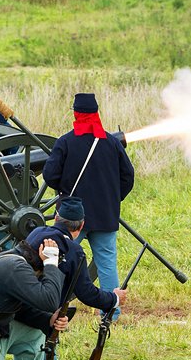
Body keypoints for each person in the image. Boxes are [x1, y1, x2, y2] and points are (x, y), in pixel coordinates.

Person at [13, 196, 127, 360]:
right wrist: (114, 299)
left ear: (56, 217)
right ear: (81, 226)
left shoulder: (35, 233)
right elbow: (87, 293)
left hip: (18, 304)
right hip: (45, 311)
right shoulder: (74, 251)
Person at [43, 93, 135, 320]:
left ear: (76, 114)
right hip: (105, 214)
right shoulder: (112, 143)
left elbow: (49, 175)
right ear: (96, 113)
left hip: (72, 215)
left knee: (60, 256)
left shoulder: (65, 142)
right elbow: (128, 176)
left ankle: (52, 306)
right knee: (106, 263)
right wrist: (112, 199)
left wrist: (65, 192)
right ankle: (110, 313)